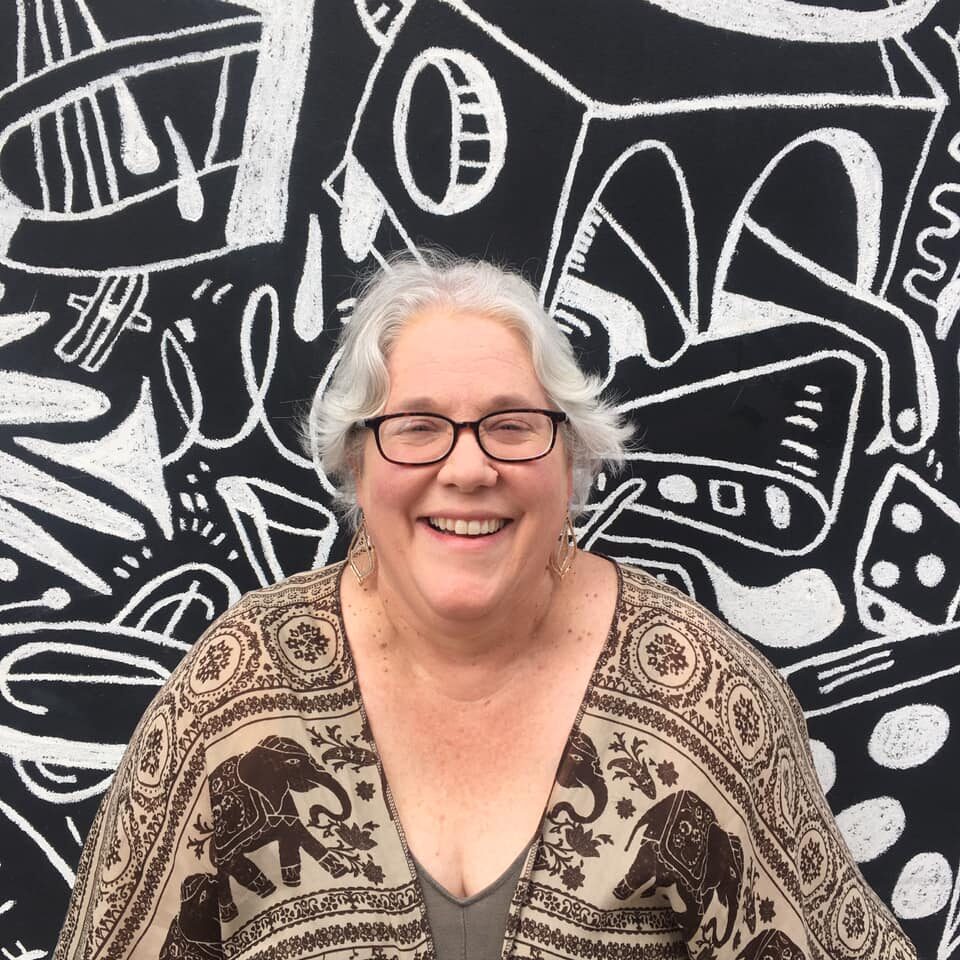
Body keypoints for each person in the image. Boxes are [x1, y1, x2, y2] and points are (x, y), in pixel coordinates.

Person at [55, 253, 916, 960]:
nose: (468, 470)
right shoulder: (237, 690)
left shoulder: (707, 700)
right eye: (418, 425)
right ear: (359, 465)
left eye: (511, 425)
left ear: (570, 461)